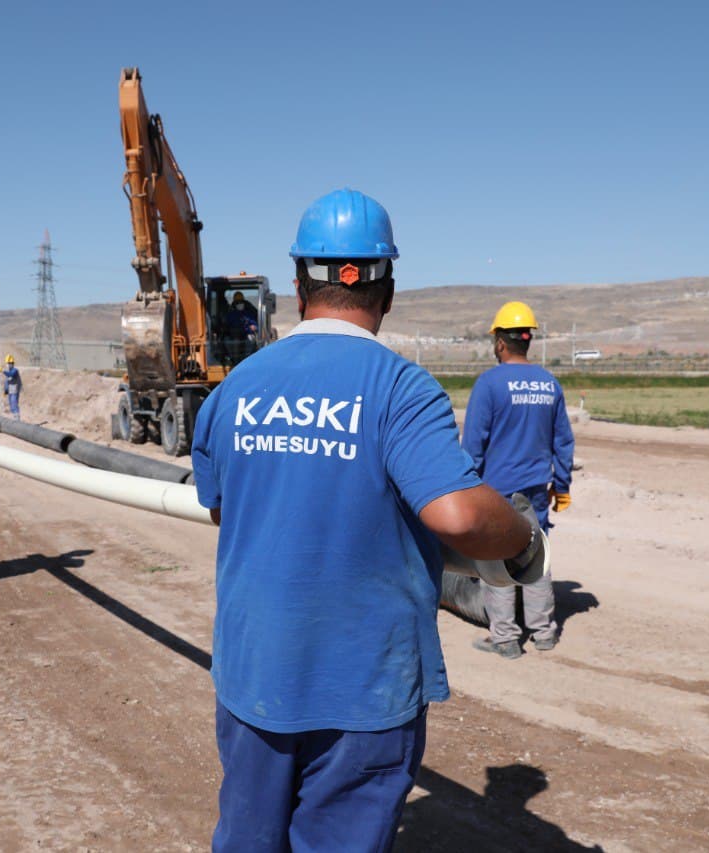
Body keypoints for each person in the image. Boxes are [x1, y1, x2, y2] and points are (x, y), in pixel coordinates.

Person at [191, 189, 544, 852]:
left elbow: (221, 508)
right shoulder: (400, 388)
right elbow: (458, 514)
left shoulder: (234, 388)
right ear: (389, 292)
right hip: (362, 687)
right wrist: (525, 538)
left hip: (255, 672)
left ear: (298, 285)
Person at [461, 301, 574, 659]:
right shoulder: (549, 383)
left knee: (498, 559)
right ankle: (544, 633)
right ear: (528, 340)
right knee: (536, 555)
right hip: (536, 489)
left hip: (497, 490)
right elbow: (563, 441)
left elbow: (473, 445)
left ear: (499, 342)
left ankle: (506, 639)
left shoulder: (489, 384)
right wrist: (562, 486)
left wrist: (465, 487)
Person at [223, 291, 259, 364]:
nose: (240, 304)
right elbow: (226, 326)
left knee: (251, 339)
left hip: (247, 335)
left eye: (241, 302)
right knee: (227, 340)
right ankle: (234, 360)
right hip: (234, 336)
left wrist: (254, 327)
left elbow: (255, 325)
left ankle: (246, 360)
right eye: (237, 303)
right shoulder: (230, 315)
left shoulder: (249, 313)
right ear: (234, 304)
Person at [0, 354, 23, 419]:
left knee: (14, 403)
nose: (8, 365)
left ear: (12, 363)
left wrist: (2, 371)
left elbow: (11, 374)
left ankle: (17, 417)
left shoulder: (15, 371)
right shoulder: (8, 372)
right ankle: (14, 416)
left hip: (15, 390)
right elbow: (7, 382)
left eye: (9, 363)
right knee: (11, 405)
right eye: (7, 363)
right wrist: (6, 391)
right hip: (10, 390)